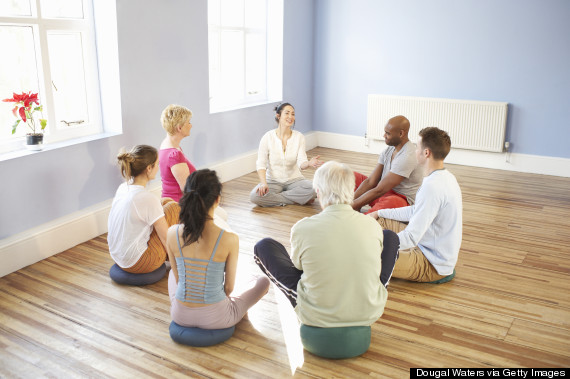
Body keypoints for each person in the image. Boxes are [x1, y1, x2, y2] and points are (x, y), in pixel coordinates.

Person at [254, 161, 389, 327]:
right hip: (369, 313)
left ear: (318, 192)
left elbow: (298, 267)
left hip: (316, 315)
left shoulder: (303, 227)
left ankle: (312, 305)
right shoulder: (372, 225)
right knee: (390, 237)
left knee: (264, 246)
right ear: (351, 190)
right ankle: (373, 293)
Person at [166, 169, 270, 329]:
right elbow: (229, 288)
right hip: (217, 319)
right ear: (217, 199)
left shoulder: (172, 232)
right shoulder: (230, 238)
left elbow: (180, 280)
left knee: (174, 273)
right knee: (263, 281)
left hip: (180, 315)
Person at [371, 127, 463, 283]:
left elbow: (411, 237)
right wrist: (380, 213)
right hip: (424, 244)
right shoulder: (445, 176)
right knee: (380, 220)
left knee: (367, 257)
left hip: (431, 264)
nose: (414, 151)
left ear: (426, 153)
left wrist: (374, 246)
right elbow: (416, 210)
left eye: (417, 147)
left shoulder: (433, 187)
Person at [108, 145, 179, 273]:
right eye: (157, 164)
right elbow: (165, 238)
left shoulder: (123, 188)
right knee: (174, 208)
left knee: (165, 202)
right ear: (149, 168)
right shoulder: (147, 198)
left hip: (118, 256)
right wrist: (178, 266)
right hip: (138, 262)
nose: (158, 168)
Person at [159, 104, 228, 222]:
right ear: (179, 128)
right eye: (189, 122)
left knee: (220, 213)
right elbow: (187, 190)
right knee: (222, 216)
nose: (191, 125)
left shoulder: (167, 146)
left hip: (176, 203)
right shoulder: (174, 155)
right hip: (179, 207)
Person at [250, 103, 323, 207]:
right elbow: (261, 164)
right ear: (278, 116)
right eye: (287, 113)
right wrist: (263, 183)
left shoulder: (299, 137)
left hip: (294, 179)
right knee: (255, 196)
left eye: (293, 114)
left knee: (316, 189)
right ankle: (298, 199)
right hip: (273, 181)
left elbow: (301, 163)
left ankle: (278, 198)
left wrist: (309, 163)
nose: (290, 117)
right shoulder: (267, 137)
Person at [353, 115, 424, 214]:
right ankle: (356, 208)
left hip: (400, 199)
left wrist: (351, 205)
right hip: (383, 192)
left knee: (391, 202)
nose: (384, 136)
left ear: (401, 133)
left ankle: (364, 218)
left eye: (388, 133)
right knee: (350, 176)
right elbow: (370, 182)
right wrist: (352, 202)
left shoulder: (408, 156)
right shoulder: (389, 150)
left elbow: (380, 190)